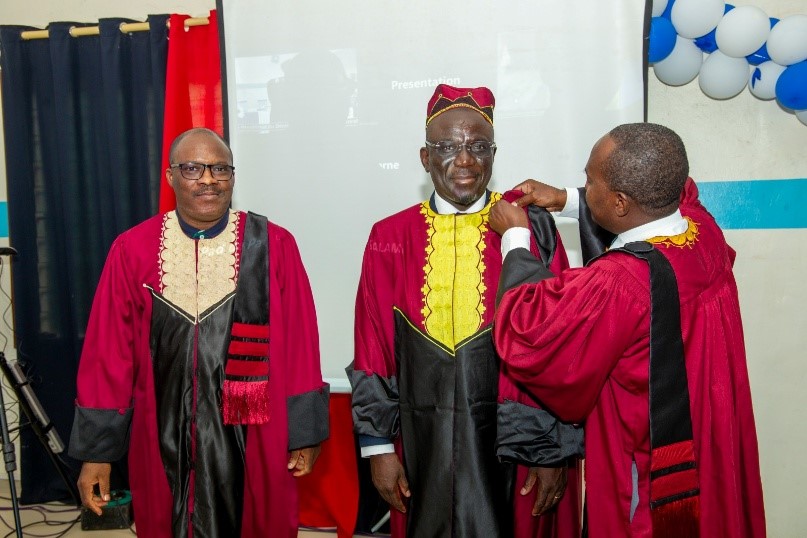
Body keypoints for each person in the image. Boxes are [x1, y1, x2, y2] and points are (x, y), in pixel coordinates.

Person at [489, 122, 766, 537]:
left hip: (651, 463)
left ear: (620, 202)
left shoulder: (621, 281)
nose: (585, 186)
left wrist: (514, 237)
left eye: (589, 181)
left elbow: (526, 331)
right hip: (707, 437)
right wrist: (568, 199)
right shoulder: (702, 229)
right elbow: (682, 188)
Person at [68, 128, 330, 538]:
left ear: (232, 176)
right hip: (161, 433)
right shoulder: (132, 250)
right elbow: (108, 355)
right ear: (170, 176)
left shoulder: (273, 245)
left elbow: (300, 346)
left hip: (255, 434)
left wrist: (304, 432)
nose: (208, 179)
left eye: (220, 169)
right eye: (193, 168)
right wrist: (97, 453)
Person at [347, 84, 583, 538]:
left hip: (516, 445)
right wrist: (378, 448)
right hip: (420, 443)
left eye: (478, 147)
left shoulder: (529, 227)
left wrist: (550, 451)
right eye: (447, 148)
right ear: (425, 157)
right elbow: (372, 343)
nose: (465, 160)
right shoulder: (390, 235)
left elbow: (558, 343)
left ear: (493, 155)